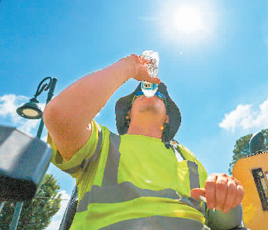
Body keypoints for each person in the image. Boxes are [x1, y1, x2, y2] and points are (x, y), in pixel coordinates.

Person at [43, 54, 246, 230]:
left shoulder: (187, 157)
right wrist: (129, 66)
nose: (151, 93)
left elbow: (225, 223)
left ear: (167, 117)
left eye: (160, 95)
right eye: (140, 93)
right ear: (128, 113)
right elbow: (60, 116)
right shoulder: (101, 144)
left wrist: (226, 196)